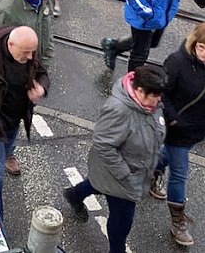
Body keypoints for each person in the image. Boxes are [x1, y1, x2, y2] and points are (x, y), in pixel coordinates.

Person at [61, 65, 166, 253]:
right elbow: (103, 144)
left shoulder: (150, 103)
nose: (159, 101)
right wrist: (126, 174)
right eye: (155, 96)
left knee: (96, 185)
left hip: (130, 169)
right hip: (122, 174)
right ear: (139, 90)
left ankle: (73, 195)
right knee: (122, 219)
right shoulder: (119, 110)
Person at [148, 23, 205, 247]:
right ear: (194, 44)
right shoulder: (177, 62)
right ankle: (178, 220)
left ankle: (153, 170)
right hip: (176, 129)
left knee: (169, 157)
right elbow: (161, 93)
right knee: (180, 173)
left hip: (199, 128)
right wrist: (173, 118)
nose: (204, 52)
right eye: (201, 47)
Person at [0, 26, 49, 220]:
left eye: (32, 52)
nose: (31, 57)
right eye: (25, 53)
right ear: (11, 45)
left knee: (1, 153)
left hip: (15, 118)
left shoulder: (27, 47)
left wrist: (42, 88)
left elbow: (41, 72)